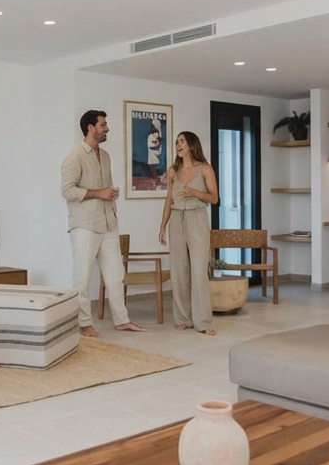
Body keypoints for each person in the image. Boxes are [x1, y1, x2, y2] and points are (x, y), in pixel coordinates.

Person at [61, 109, 145, 336]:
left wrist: (108, 195)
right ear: (90, 127)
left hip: (108, 223)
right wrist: (100, 193)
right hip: (85, 225)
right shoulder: (74, 157)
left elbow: (103, 189)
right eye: (103, 124)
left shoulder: (105, 156)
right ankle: (84, 323)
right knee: (82, 278)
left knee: (116, 276)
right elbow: (67, 191)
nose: (107, 128)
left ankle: (122, 320)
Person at [158, 131, 219, 335]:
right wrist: (162, 226)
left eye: (181, 141)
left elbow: (214, 199)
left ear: (192, 144)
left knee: (199, 271)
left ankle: (203, 321)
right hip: (176, 220)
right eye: (176, 142)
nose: (178, 144)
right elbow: (169, 200)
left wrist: (193, 192)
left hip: (197, 219)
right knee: (178, 271)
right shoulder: (173, 171)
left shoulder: (205, 169)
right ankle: (183, 318)